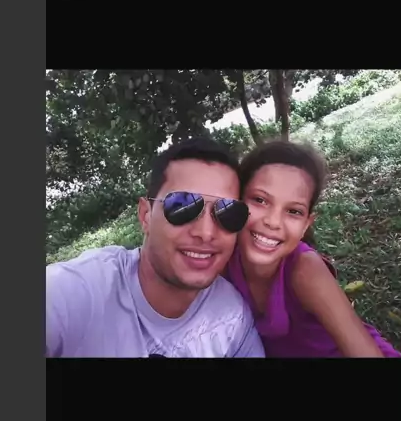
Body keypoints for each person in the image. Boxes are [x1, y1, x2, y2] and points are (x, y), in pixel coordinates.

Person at [46, 137, 265, 358]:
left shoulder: (232, 319)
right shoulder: (74, 294)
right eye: (182, 207)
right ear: (146, 215)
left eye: (228, 212)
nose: (206, 233)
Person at [223, 139, 401, 358]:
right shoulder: (223, 260)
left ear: (306, 224)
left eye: (294, 211)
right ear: (236, 201)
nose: (273, 222)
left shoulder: (305, 270)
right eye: (260, 200)